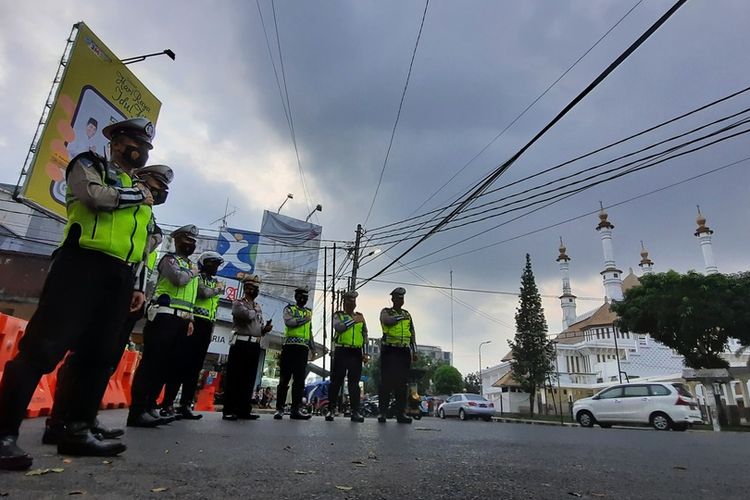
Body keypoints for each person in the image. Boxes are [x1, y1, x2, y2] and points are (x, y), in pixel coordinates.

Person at [0, 117, 156, 470]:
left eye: (146, 148)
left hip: (118, 275)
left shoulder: (138, 188)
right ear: (116, 143)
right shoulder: (90, 164)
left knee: (98, 355)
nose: (142, 152)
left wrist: (134, 285)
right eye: (137, 144)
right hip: (81, 263)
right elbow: (94, 197)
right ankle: (4, 434)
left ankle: (77, 429)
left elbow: (141, 242)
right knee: (43, 347)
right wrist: (137, 195)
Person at [42, 164, 173, 445]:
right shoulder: (121, 196)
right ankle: (60, 419)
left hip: (127, 288)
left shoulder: (147, 214)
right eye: (157, 183)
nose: (160, 190)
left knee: (105, 357)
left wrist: (138, 288)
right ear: (140, 178)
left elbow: (140, 255)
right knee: (81, 353)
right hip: (93, 275)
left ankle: (84, 418)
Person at [127, 225, 200, 427]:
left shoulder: (190, 266)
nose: (190, 245)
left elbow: (190, 297)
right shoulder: (169, 260)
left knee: (166, 366)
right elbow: (178, 279)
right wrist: (192, 273)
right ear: (177, 240)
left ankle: (151, 406)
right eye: (187, 240)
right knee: (151, 363)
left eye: (193, 242)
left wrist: (191, 319)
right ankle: (138, 409)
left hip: (182, 321)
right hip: (163, 317)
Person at [165, 251, 225, 420]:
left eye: (217, 265)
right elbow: (203, 293)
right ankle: (168, 402)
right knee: (180, 363)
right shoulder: (197, 277)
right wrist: (218, 289)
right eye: (213, 264)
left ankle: (185, 404)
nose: (216, 268)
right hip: (194, 322)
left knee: (195, 367)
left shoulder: (213, 282)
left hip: (207, 325)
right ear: (204, 264)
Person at [222, 274, 272, 421]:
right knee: (235, 377)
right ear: (246, 289)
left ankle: (244, 409)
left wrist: (265, 329)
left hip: (254, 344)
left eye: (256, 289)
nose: (254, 291)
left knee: (248, 379)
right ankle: (229, 410)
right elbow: (246, 316)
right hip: (241, 343)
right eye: (251, 288)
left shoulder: (257, 306)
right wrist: (255, 310)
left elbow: (258, 325)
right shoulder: (239, 303)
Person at [325, 291, 368, 423]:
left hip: (356, 353)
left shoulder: (360, 316)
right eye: (349, 301)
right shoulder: (338, 315)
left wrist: (365, 353)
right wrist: (352, 321)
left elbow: (364, 336)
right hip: (342, 350)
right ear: (344, 302)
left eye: (354, 301)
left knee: (354, 384)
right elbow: (339, 328)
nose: (352, 303)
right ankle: (331, 410)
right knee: (336, 381)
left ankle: (355, 412)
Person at [274, 286, 314, 420]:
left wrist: (312, 348)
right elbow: (289, 323)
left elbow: (310, 331)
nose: (304, 299)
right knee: (284, 379)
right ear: (296, 297)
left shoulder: (308, 312)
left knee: (299, 381)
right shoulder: (289, 309)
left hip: (303, 349)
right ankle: (279, 409)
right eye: (301, 296)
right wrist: (305, 320)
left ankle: (295, 409)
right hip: (290, 347)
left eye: (306, 297)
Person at [378, 287, 417, 424]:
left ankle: (401, 413)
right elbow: (388, 321)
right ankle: (382, 412)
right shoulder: (386, 312)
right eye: (398, 297)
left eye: (402, 298)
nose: (400, 300)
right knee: (386, 383)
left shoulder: (408, 314)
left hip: (404, 351)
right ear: (392, 299)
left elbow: (412, 332)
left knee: (402, 384)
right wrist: (400, 316)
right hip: (390, 349)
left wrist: (414, 350)